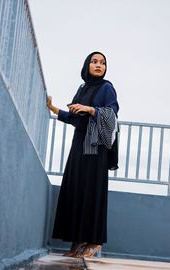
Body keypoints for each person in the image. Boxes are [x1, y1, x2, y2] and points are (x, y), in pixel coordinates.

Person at [46, 51, 119, 258]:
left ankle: (95, 240)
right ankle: (78, 238)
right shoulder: (83, 88)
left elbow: (112, 113)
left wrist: (90, 109)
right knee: (76, 187)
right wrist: (53, 108)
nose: (99, 65)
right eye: (94, 61)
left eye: (102, 62)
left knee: (92, 189)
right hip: (79, 142)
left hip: (95, 145)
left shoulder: (107, 88)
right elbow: (74, 116)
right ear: (87, 65)